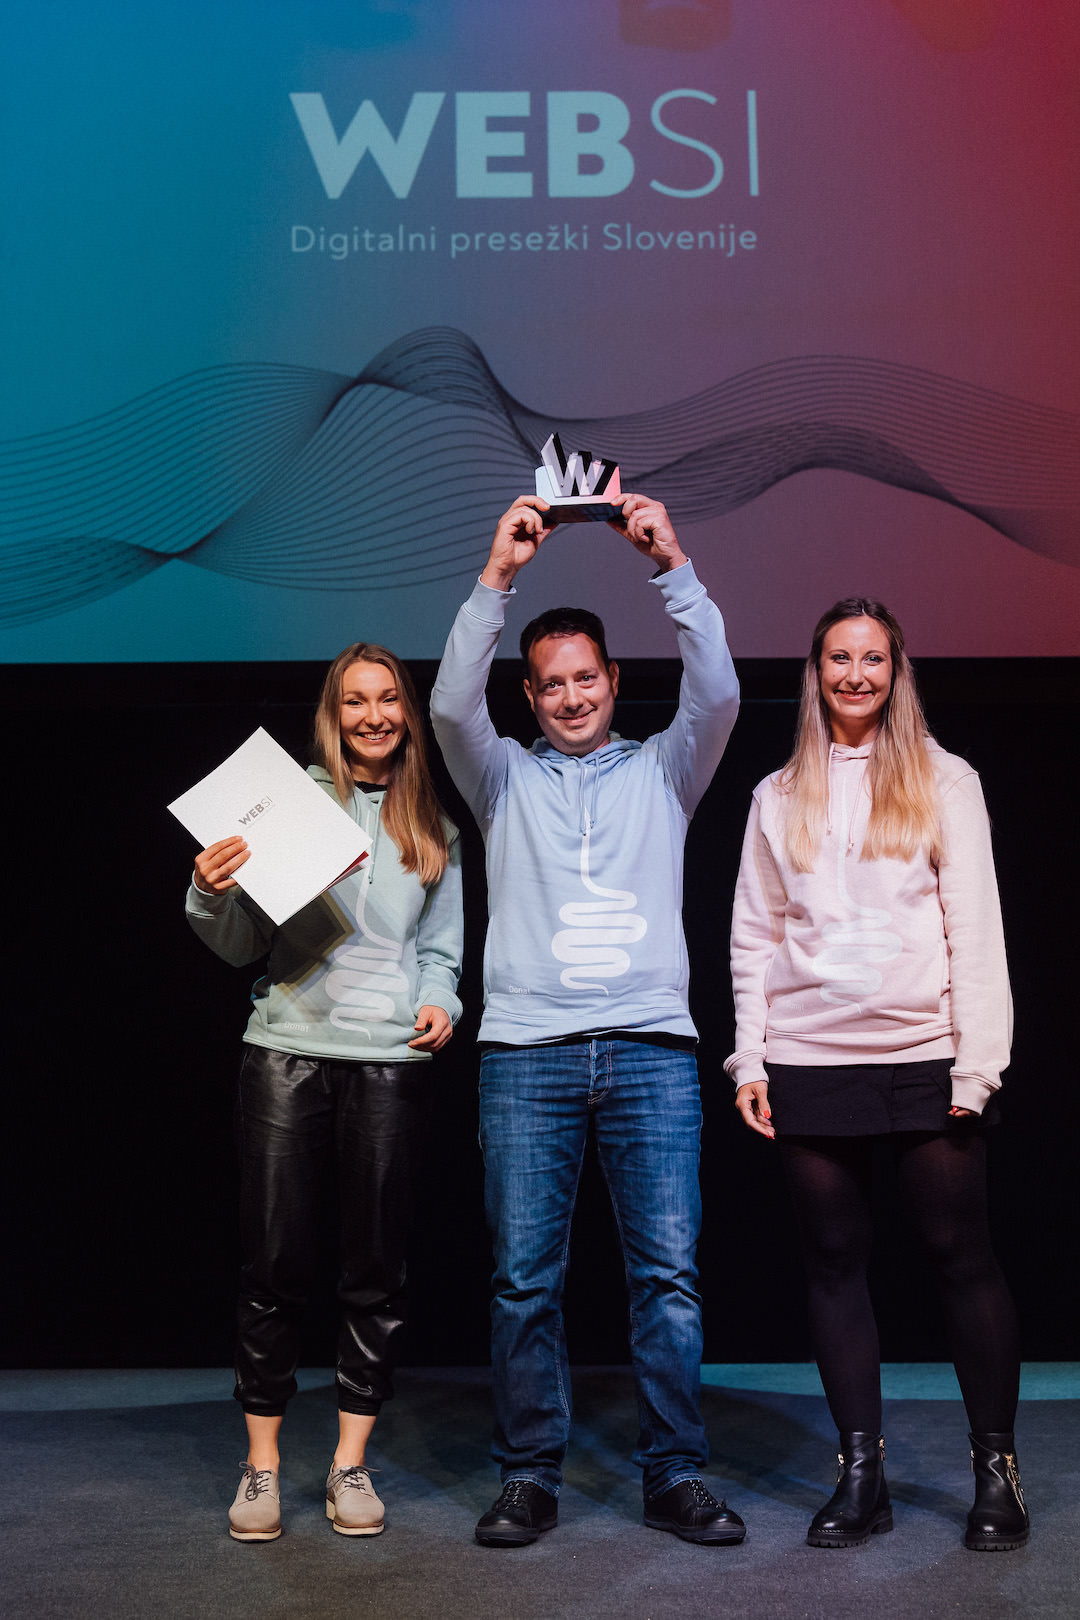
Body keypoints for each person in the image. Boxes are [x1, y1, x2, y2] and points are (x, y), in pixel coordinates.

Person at [430, 492, 742, 1547]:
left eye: (586, 679)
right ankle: (528, 1475)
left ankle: (675, 1473)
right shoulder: (501, 778)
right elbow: (447, 707)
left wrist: (670, 563)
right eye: (551, 683)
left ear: (614, 681)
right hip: (527, 1057)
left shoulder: (666, 769)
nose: (571, 697)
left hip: (651, 1052)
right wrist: (499, 573)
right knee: (524, 1283)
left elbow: (720, 687)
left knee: (669, 1282)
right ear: (530, 694)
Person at [727, 598, 1027, 1552]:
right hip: (810, 1056)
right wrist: (749, 1054)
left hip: (925, 1053)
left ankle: (997, 1473)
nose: (854, 676)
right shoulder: (778, 793)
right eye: (838, 659)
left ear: (897, 673)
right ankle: (863, 1477)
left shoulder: (945, 779)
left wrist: (978, 1065)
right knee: (831, 1264)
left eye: (872, 660)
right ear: (814, 672)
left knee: (959, 1255)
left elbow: (975, 927)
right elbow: (753, 936)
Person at [186, 644, 463, 1542]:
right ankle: (262, 1468)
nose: (373, 716)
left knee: (375, 1271)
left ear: (407, 712)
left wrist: (441, 1000)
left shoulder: (434, 824)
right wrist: (208, 890)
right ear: (332, 714)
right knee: (273, 1268)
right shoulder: (290, 807)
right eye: (355, 701)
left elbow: (442, 951)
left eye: (388, 699)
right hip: (287, 1054)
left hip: (389, 1062)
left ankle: (350, 1463)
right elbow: (237, 945)